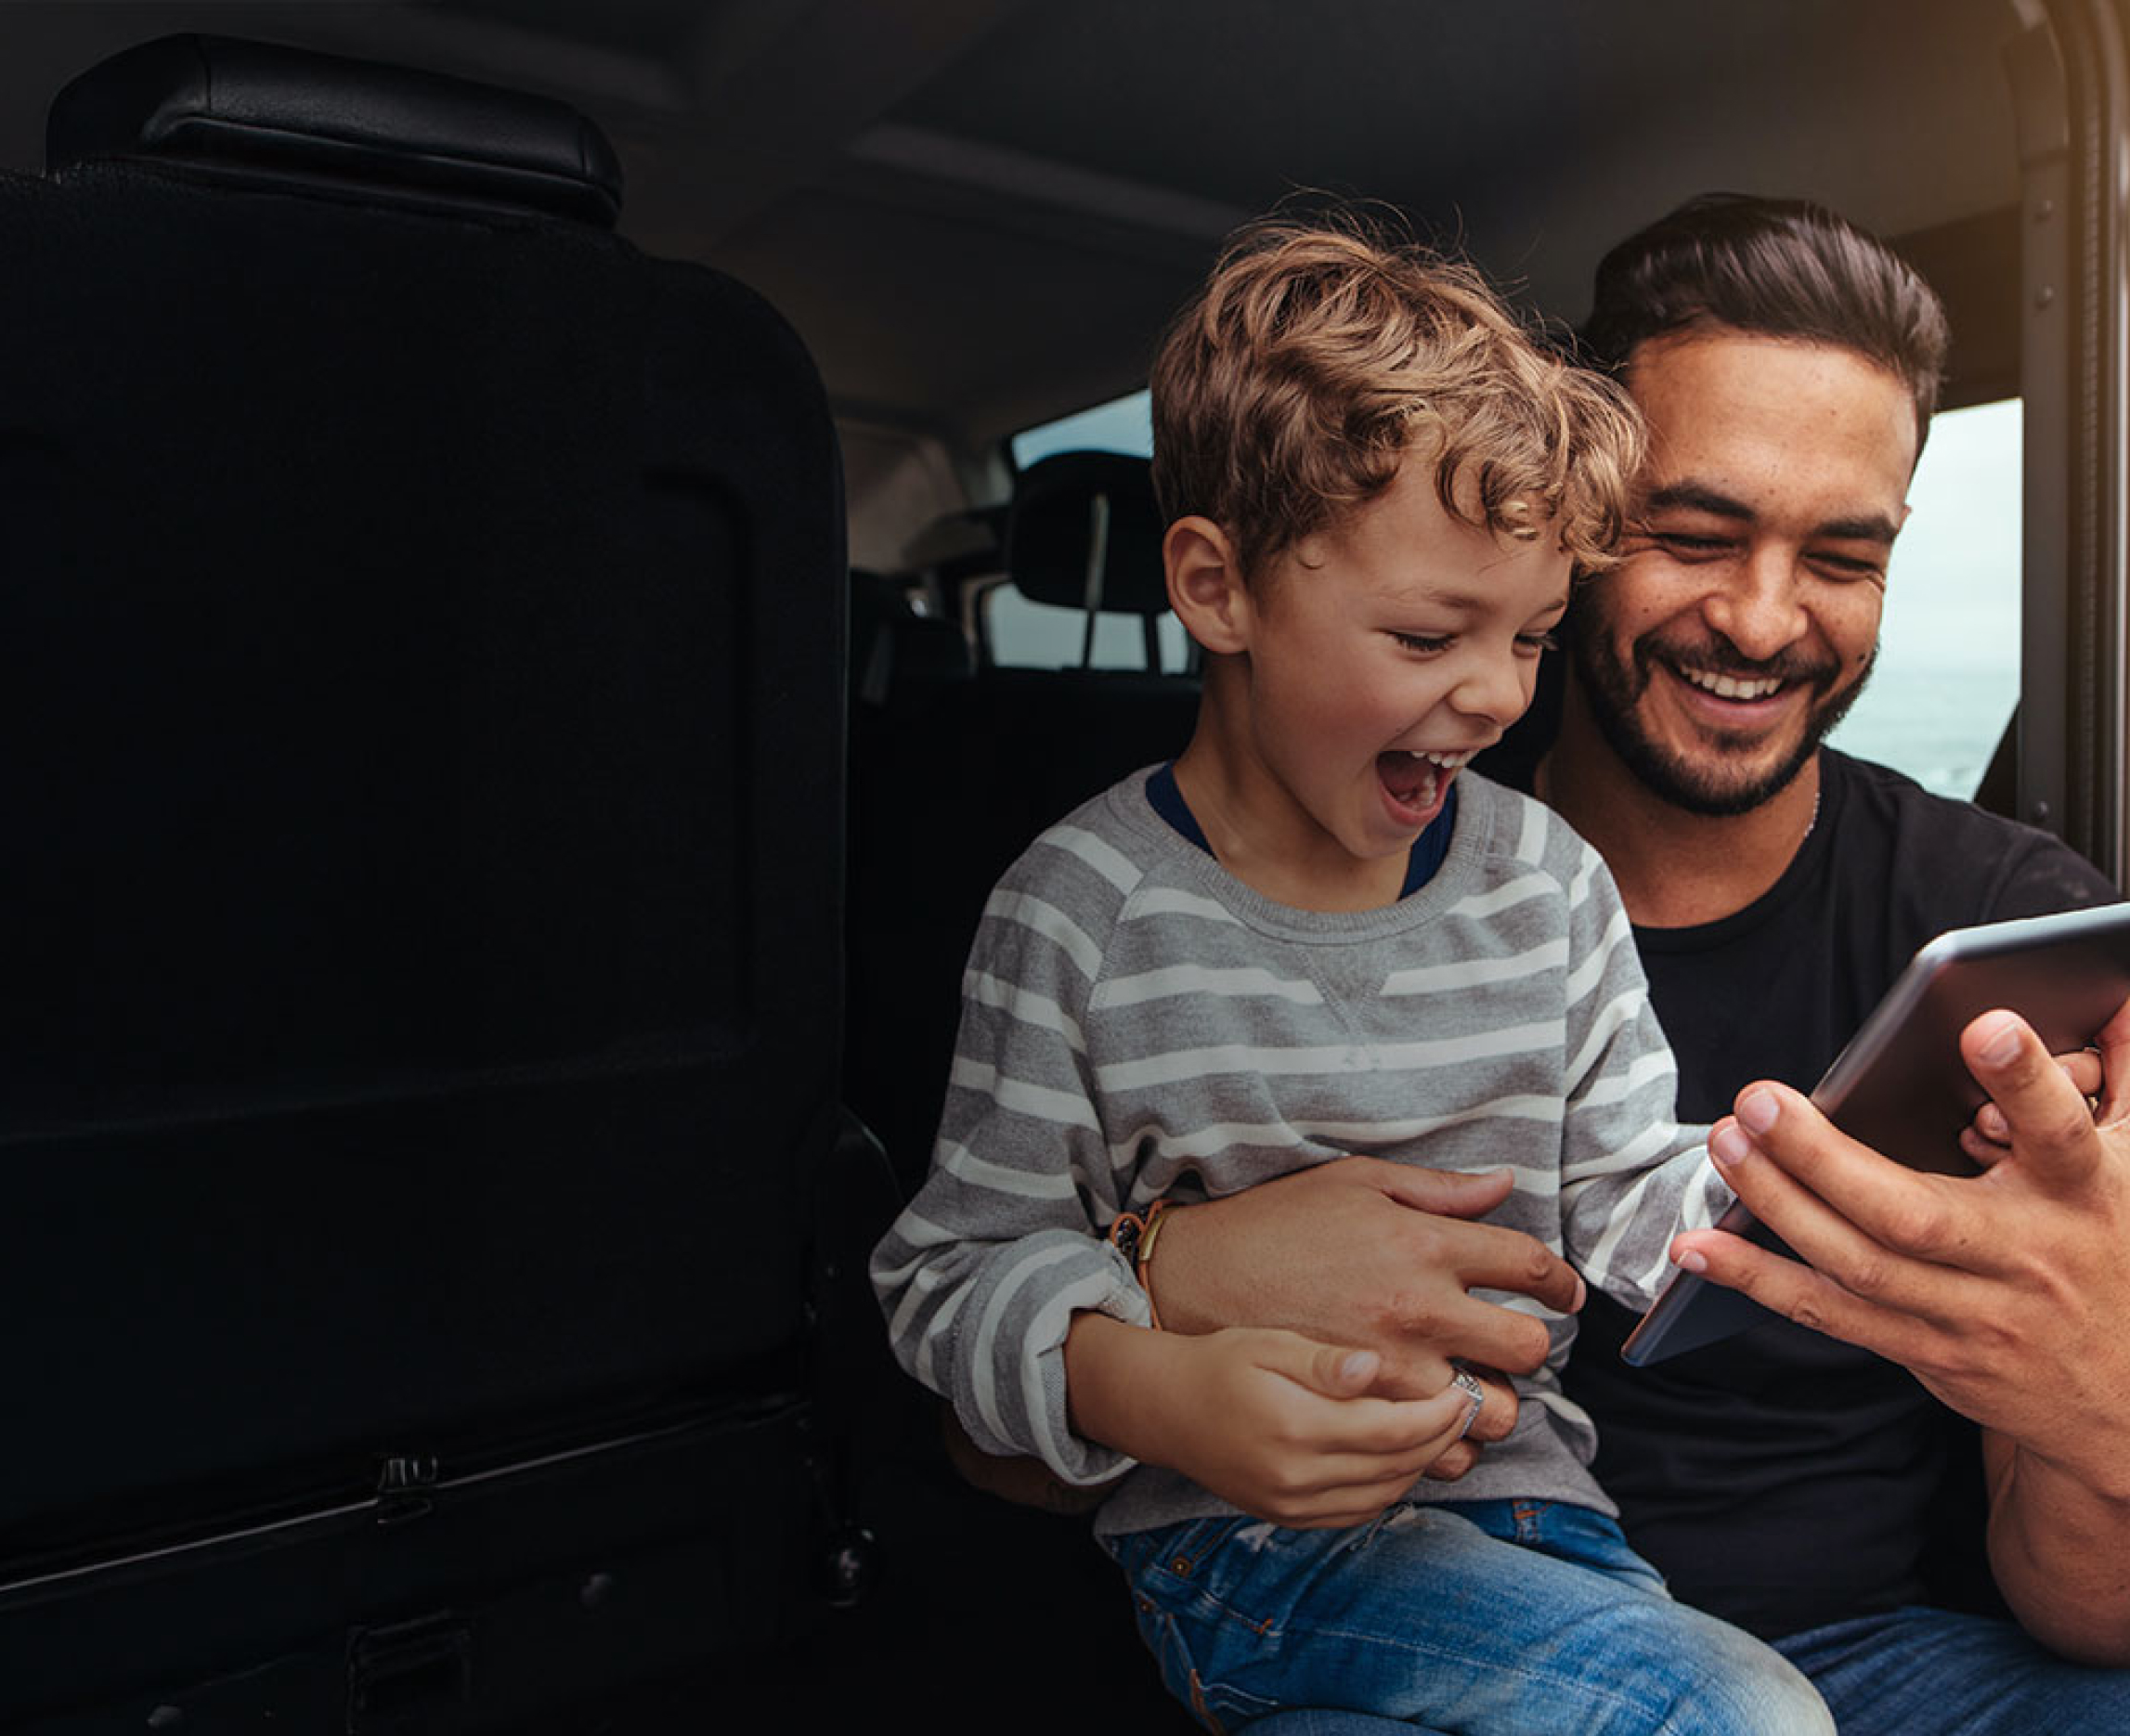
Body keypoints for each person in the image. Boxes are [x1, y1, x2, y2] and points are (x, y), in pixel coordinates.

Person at [1135, 195, 2130, 1732]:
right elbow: (984, 1436)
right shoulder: (1303, 847)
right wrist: (1162, 1268)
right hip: (1420, 1635)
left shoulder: (2008, 935)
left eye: (1841, 555)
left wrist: (2102, 1393)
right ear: (1576, 515)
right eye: (1696, 535)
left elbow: (2087, 1615)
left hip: (1882, 1662)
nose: (1762, 619)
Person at [872, 217, 1838, 1734]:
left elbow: (1626, 1189)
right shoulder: (1082, 913)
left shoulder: (1546, 883)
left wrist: (1791, 1186)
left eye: (1532, 638)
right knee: (1741, 1715)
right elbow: (951, 1276)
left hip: (1546, 1523)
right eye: (1427, 633)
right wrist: (1149, 1388)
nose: (1496, 695)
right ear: (1219, 588)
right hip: (1248, 1548)